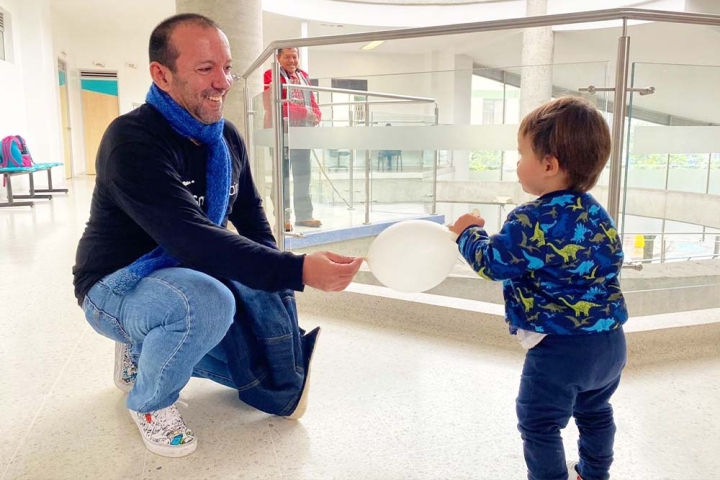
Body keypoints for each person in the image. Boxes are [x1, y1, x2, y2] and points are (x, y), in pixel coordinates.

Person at [72, 14, 362, 458]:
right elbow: (194, 240)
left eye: (226, 67)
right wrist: (300, 270)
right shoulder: (132, 141)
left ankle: (147, 349)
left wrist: (278, 282)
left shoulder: (224, 137)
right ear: (161, 75)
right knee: (209, 302)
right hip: (116, 284)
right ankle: (150, 402)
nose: (224, 82)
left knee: (257, 301)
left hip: (182, 271)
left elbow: (248, 214)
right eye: (206, 69)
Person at [449, 96, 628, 480]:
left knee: (539, 424)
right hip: (610, 343)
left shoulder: (530, 218)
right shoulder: (597, 212)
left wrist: (468, 232)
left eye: (521, 154)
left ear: (548, 165)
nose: (517, 164)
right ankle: (594, 475)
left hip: (560, 349)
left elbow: (492, 263)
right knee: (596, 413)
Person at [263, 47, 322, 232]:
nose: (292, 60)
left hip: (302, 135)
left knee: (303, 176)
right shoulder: (269, 75)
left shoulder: (304, 76)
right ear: (278, 58)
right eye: (287, 56)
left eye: (294, 56)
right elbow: (275, 104)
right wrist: (306, 113)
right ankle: (283, 217)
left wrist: (317, 115)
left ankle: (304, 216)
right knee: (282, 177)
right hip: (280, 133)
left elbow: (312, 101)